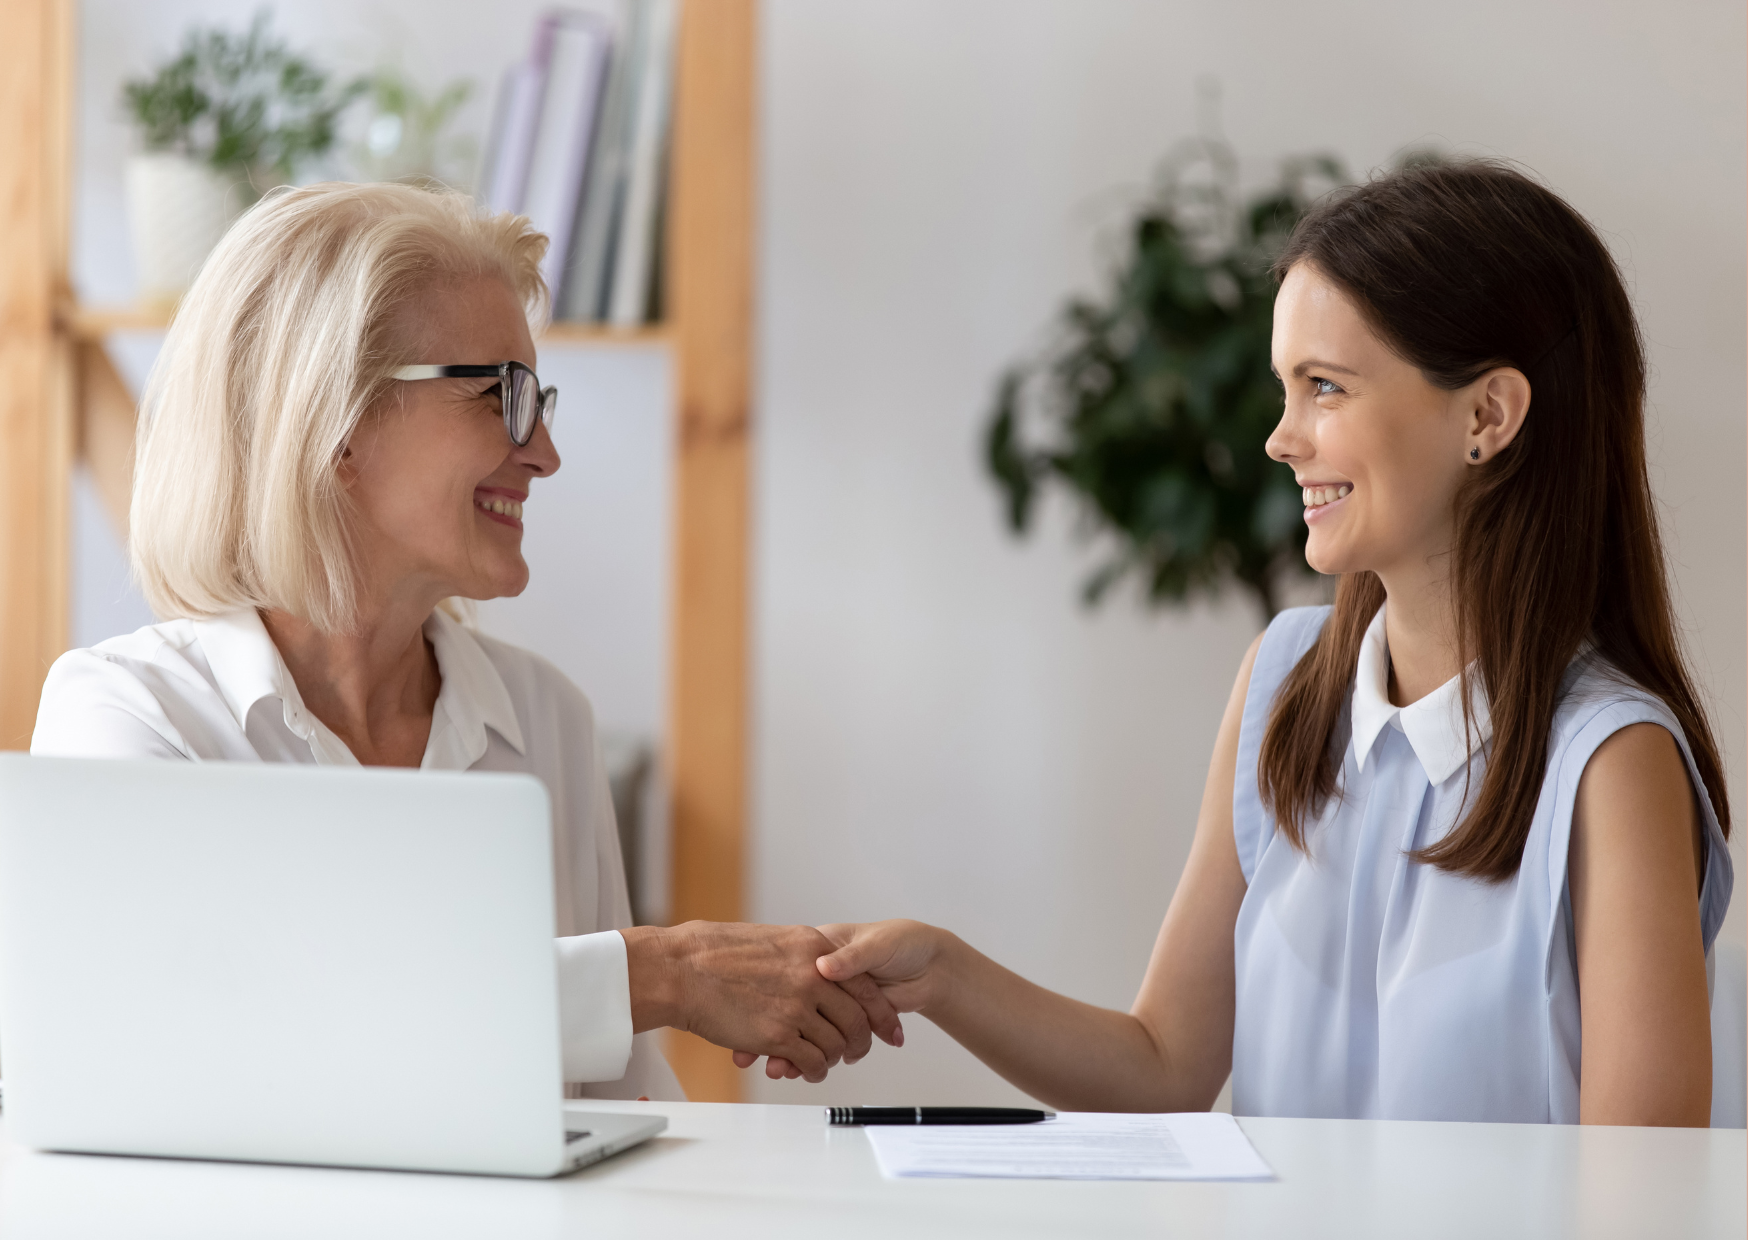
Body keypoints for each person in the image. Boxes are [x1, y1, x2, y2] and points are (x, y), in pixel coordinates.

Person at [747, 161, 1734, 1126]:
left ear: (1485, 415)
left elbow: (1637, 1201)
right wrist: (943, 973)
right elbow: (1166, 1062)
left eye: (1324, 388)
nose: (1279, 437)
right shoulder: (1285, 680)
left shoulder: (1609, 761)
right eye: (1283, 388)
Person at [31, 181, 898, 1100]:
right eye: (501, 396)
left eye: (540, 399)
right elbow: (198, 1047)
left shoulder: (543, 719)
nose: (545, 453)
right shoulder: (129, 720)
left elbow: (626, 1112)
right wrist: (664, 973)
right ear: (335, 425)